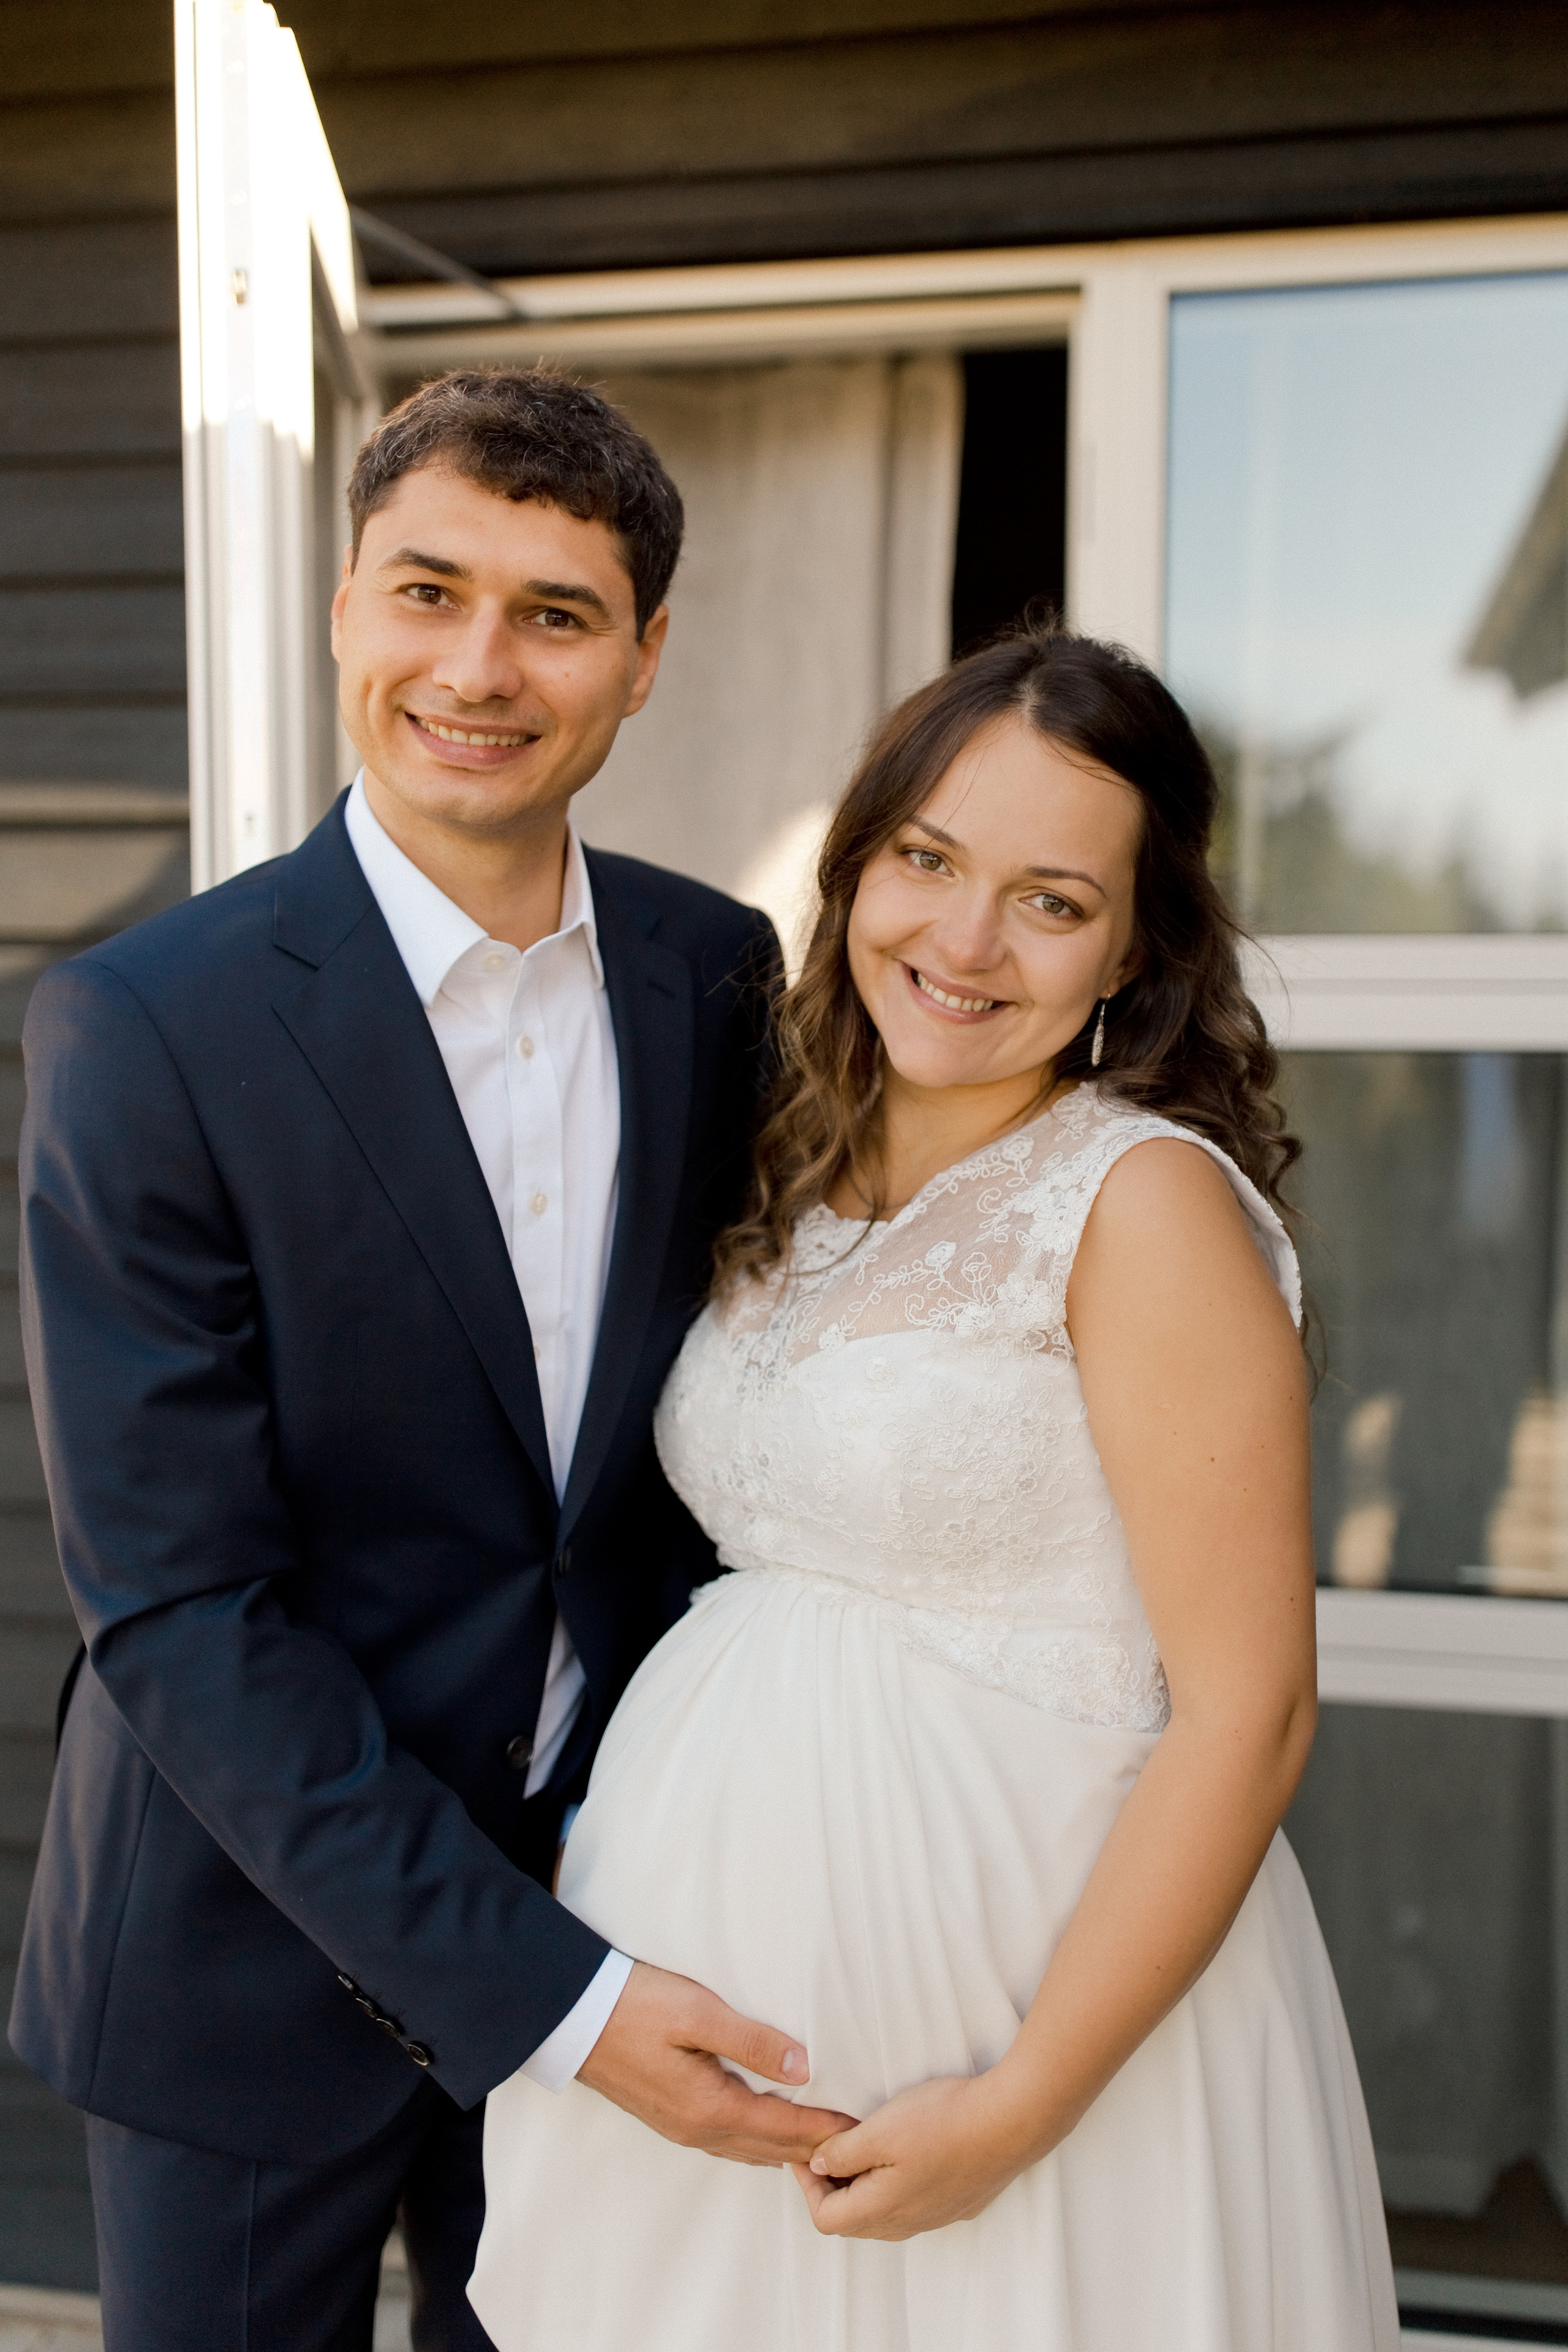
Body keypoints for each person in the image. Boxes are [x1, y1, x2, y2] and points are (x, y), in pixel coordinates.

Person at [10, 368, 856, 2352]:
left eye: (556, 614)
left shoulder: (716, 973)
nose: (480, 668)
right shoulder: (145, 1026)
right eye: (427, 592)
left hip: (627, 1903)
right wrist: (553, 2000)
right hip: (240, 1957)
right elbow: (179, 1608)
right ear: (342, 610)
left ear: (646, 657)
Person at [470, 629, 1402, 2350]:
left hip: (1029, 2052)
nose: (965, 943)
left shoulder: (1141, 1204)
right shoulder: (798, 1161)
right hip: (708, 2052)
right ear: (858, 866)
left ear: (1137, 947)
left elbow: (1251, 1714)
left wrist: (1022, 2106)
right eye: (928, 860)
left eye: (1052, 901)